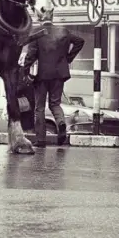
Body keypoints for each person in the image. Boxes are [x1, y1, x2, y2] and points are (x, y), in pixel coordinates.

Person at [23, 13, 84, 147]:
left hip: (42, 76)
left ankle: (40, 140)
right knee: (55, 104)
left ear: (40, 18)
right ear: (51, 18)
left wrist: (25, 71)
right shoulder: (63, 31)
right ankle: (61, 123)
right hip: (59, 74)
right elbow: (80, 41)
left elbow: (31, 55)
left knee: (39, 107)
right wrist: (67, 59)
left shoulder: (37, 32)